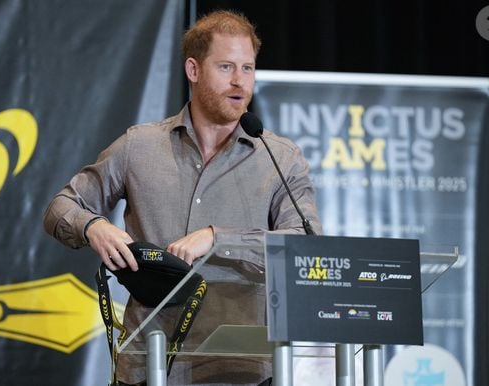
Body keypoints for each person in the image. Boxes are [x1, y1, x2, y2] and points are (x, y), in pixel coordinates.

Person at [43, 9, 322, 386]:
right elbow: (61, 207)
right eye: (226, 67)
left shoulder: (280, 156)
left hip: (237, 369)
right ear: (193, 70)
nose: (240, 81)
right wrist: (93, 226)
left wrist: (218, 238)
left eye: (248, 68)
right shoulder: (139, 146)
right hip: (149, 364)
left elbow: (305, 245)